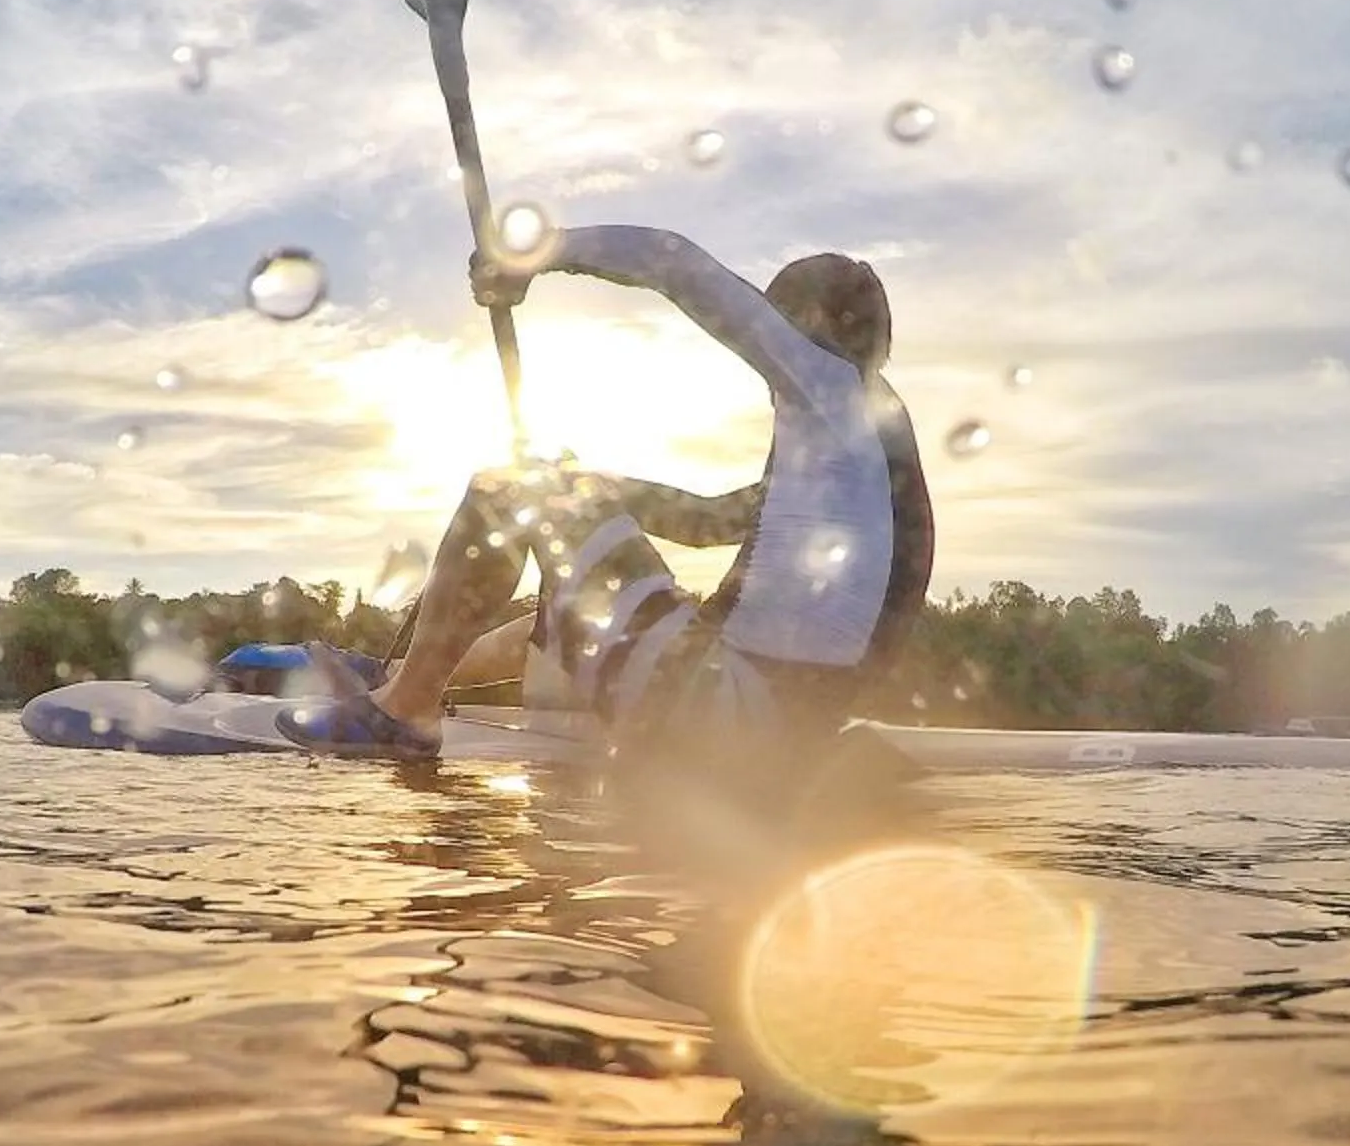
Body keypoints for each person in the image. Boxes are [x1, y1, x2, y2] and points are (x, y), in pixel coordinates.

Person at [279, 225, 933, 777]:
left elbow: (674, 262)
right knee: (554, 565)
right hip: (791, 739)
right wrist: (592, 487)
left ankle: (406, 710)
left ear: (810, 323)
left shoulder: (824, 381)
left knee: (506, 491)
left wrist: (536, 255)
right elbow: (713, 523)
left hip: (718, 719)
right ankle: (400, 671)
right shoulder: (867, 454)